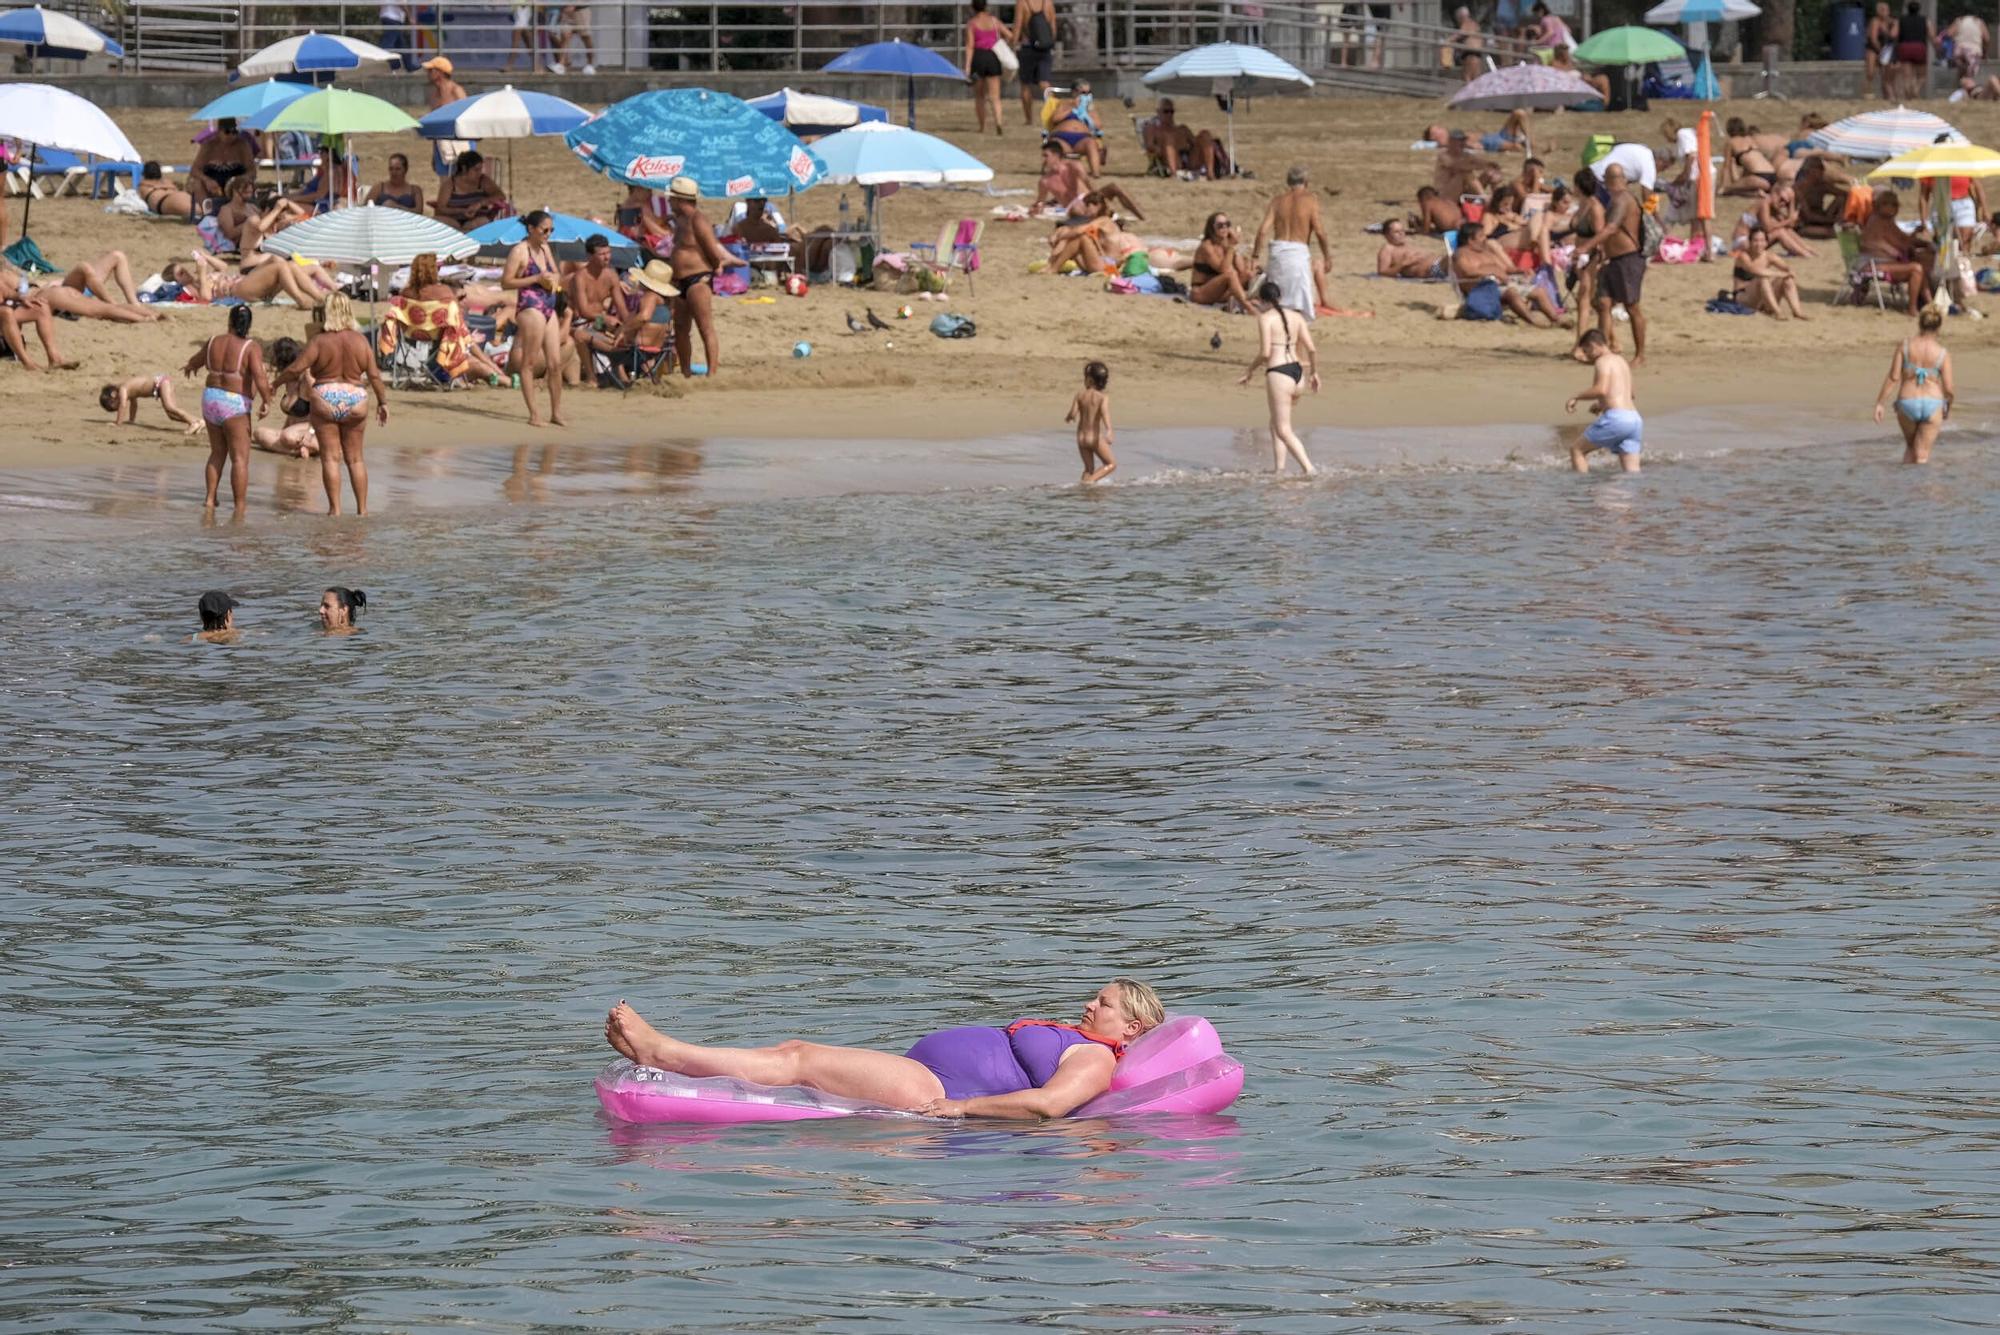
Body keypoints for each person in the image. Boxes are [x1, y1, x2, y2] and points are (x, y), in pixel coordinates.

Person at [602, 980, 1166, 1120]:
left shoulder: (1093, 1057)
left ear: (1132, 1029)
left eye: (1105, 1004)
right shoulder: (1080, 1038)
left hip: (934, 1091)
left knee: (796, 1055)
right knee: (796, 1058)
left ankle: (662, 1054)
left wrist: (959, 1110)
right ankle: (666, 1056)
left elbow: (1049, 1106)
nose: (1091, 1006)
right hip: (925, 1074)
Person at [283, 293, 388, 516]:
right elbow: (375, 376)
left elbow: (295, 369)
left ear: (327, 313)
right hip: (355, 397)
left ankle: (335, 511)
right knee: (356, 459)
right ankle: (362, 511)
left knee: (331, 458)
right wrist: (383, 402)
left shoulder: (320, 341)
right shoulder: (360, 341)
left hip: (326, 396)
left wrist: (275, 383)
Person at [184, 304, 274, 512]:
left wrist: (189, 367)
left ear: (229, 321)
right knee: (240, 459)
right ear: (249, 324)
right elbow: (259, 377)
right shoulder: (251, 347)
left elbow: (196, 361)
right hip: (234, 404)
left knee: (217, 453)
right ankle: (240, 508)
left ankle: (209, 499)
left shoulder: (214, 341)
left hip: (211, 398)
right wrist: (267, 401)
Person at [664, 177, 744, 379]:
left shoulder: (698, 220)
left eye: (671, 199)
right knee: (681, 329)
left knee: (705, 328)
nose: (668, 202)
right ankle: (686, 372)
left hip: (698, 279)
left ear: (680, 199)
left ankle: (712, 374)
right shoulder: (680, 220)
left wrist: (717, 266)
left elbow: (712, 249)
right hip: (680, 281)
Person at [1238, 279, 1320, 476]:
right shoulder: (1297, 317)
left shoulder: (1266, 319)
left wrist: (1249, 370)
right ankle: (1279, 469)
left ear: (1262, 300)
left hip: (1279, 374)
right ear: (1280, 297)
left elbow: (1265, 353)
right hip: (1297, 373)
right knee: (1276, 422)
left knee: (1283, 429)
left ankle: (1309, 469)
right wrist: (1315, 373)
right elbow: (1311, 349)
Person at [1575, 162, 1647, 366]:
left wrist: (1585, 247)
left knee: (1632, 306)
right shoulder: (1613, 200)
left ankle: (1640, 354)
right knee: (1603, 303)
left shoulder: (1623, 200)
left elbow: (1611, 228)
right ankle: (1602, 351)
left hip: (1628, 258)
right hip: (1612, 259)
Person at [502, 209, 567, 426]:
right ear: (531, 229)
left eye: (551, 230)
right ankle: (534, 414)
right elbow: (506, 282)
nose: (548, 234)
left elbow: (557, 273)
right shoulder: (520, 251)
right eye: (544, 230)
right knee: (529, 362)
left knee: (555, 363)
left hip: (548, 304)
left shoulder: (545, 248)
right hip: (530, 305)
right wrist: (536, 278)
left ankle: (556, 412)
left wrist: (552, 280)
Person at [1253, 165, 1341, 320]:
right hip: (1297, 252)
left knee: (1276, 300)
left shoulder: (1277, 201)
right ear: (1306, 181)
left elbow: (1262, 231)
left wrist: (1255, 255)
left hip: (1277, 252)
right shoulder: (1311, 200)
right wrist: (1327, 256)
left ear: (1288, 182)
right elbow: (1319, 232)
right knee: (1300, 306)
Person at [1872, 306, 1954, 464]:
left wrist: (1880, 403)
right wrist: (1947, 407)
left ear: (1920, 322)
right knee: (1922, 455)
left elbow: (1893, 377)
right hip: (1933, 402)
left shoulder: (1904, 346)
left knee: (1911, 448)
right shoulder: (1942, 353)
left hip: (1907, 401)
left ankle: (1905, 487)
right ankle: (1922, 487)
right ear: (1939, 326)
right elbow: (1949, 389)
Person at [1564, 329, 1642, 473]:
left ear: (1594, 345)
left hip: (1617, 419)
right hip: (1634, 420)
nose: (1588, 356)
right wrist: (1601, 404)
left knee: (1577, 450)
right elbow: (1630, 394)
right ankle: (1634, 495)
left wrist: (1576, 397)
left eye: (1587, 351)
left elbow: (1601, 389)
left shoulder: (1603, 361)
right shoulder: (1622, 361)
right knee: (1632, 473)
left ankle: (1581, 491)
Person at [564, 233, 632, 387]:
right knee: (583, 334)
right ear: (590, 256)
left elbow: (622, 308)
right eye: (602, 254)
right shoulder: (580, 277)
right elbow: (583, 311)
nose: (607, 257)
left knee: (619, 328)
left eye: (608, 253)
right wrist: (605, 319)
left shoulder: (611, 275)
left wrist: (625, 326)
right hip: (579, 322)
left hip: (599, 321)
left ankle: (621, 373)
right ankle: (591, 376)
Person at [171, 249, 342, 309]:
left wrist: (206, 258)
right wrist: (201, 273)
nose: (185, 271)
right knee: (281, 267)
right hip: (237, 290)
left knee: (281, 262)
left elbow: (222, 267)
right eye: (180, 273)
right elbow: (207, 298)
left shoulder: (203, 273)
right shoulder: (191, 287)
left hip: (245, 283)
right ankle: (303, 299)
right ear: (176, 281)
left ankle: (331, 293)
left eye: (182, 269)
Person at [1859, 190, 1935, 315]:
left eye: (1895, 204)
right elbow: (1901, 245)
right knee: (1917, 268)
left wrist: (1919, 238)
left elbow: (1903, 239)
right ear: (1880, 205)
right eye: (1890, 204)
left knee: (1921, 265)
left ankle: (1930, 303)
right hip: (1872, 265)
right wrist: (1920, 244)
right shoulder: (1879, 222)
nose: (1894, 208)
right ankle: (1912, 308)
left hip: (1883, 262)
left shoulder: (1886, 221)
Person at [1732, 227, 1810, 319]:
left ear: (1766, 242)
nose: (1759, 244)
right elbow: (1754, 270)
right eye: (1755, 241)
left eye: (1762, 241)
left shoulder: (1769, 256)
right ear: (1750, 242)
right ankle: (1778, 312)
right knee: (1762, 278)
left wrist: (1788, 273)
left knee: (1787, 279)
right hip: (1744, 297)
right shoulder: (1744, 256)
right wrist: (1779, 274)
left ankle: (1797, 312)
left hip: (1762, 298)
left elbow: (1787, 269)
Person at [1188, 212, 1258, 311]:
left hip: (1218, 293)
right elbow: (1224, 270)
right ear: (1212, 228)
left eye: (1227, 224)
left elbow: (1241, 270)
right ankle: (1247, 306)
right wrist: (1231, 247)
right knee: (1230, 274)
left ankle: (1245, 301)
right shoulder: (1206, 247)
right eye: (1220, 226)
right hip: (1201, 293)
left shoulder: (1225, 244)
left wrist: (1235, 249)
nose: (1224, 228)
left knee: (1247, 274)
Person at [100, 372, 200, 435]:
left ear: (113, 395)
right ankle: (197, 421)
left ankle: (193, 422)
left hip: (160, 383)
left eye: (114, 406)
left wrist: (118, 423)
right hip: (161, 383)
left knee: (170, 407)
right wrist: (131, 420)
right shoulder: (128, 390)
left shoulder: (123, 389)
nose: (118, 408)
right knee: (171, 415)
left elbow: (123, 405)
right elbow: (134, 404)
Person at [1145, 99, 1222, 180]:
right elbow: (1149, 145)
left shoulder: (1182, 129)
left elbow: (1195, 143)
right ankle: (1174, 175)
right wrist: (1159, 150)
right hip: (1171, 158)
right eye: (1166, 111)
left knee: (1205, 134)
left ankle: (1210, 173)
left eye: (1172, 111)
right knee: (1169, 138)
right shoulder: (1152, 129)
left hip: (1190, 159)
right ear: (1158, 112)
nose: (1169, 114)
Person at [1065, 360, 1115, 483]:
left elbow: (1073, 413)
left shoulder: (1080, 395)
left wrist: (1069, 417)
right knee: (1111, 464)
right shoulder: (1102, 397)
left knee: (1088, 468)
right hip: (1094, 438)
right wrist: (1109, 430)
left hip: (1081, 438)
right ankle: (1088, 483)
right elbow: (1104, 414)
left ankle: (1084, 492)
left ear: (1090, 380)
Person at [963, 0, 1008, 136]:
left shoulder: (972, 24)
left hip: (979, 58)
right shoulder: (994, 21)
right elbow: (1009, 35)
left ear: (973, 7)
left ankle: (982, 126)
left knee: (980, 96)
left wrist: (967, 67)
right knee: (995, 96)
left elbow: (970, 46)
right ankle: (998, 123)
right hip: (993, 57)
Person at [1013, 0, 1059, 128]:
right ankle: (1053, 115)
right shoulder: (1047, 2)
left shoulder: (1022, 3)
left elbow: (1017, 26)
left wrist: (1012, 44)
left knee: (1025, 85)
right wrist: (1049, 43)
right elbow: (1053, 26)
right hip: (1045, 48)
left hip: (1028, 47)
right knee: (1045, 83)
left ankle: (1029, 119)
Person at [190, 118, 256, 207]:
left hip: (235, 182)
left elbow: (252, 171)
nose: (232, 135)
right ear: (219, 131)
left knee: (246, 183)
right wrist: (207, 180)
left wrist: (240, 179)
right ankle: (207, 212)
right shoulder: (209, 146)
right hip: (213, 180)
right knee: (197, 183)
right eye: (227, 131)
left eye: (235, 132)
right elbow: (195, 170)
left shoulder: (242, 145)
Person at [433, 150, 506, 227]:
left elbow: (500, 196)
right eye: (476, 170)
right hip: (453, 221)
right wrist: (461, 211)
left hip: (477, 220)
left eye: (480, 169)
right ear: (464, 168)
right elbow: (441, 208)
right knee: (438, 221)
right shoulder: (450, 184)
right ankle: (464, 232)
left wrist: (480, 203)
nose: (480, 172)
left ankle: (463, 233)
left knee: (481, 222)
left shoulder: (483, 180)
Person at [1754, 185, 1817, 257]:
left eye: (1786, 203)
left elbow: (1791, 225)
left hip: (1757, 241)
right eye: (1781, 199)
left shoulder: (1774, 207)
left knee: (1786, 229)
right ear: (1774, 193)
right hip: (1746, 244)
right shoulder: (1764, 203)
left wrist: (1791, 201)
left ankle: (1806, 249)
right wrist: (1789, 220)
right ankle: (1804, 254)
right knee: (1780, 231)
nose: (1782, 204)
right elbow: (1767, 228)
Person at [1890, 1, 1934, 101]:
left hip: (1905, 46)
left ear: (1907, 9)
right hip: (1920, 47)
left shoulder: (1900, 20)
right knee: (1922, 76)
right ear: (1919, 10)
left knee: (1906, 76)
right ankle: (1916, 89)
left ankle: (1908, 97)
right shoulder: (1925, 20)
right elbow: (1932, 36)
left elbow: (1893, 34)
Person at [1377, 218, 1446, 278]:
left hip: (1440, 263)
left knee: (1454, 257)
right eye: (1396, 232)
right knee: (1453, 259)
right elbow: (1382, 272)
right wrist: (1404, 263)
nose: (1401, 234)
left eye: (1402, 230)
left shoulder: (1407, 244)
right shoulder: (1388, 248)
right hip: (1433, 269)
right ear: (1387, 235)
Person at [548, 4, 597, 74]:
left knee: (585, 37)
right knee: (565, 35)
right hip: (566, 10)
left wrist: (574, 5)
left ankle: (590, 64)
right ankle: (561, 65)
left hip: (581, 10)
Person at [1449, 7, 1486, 83]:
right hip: (1478, 53)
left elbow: (1458, 35)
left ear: (1460, 17)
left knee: (1467, 77)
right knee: (1475, 78)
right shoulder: (1476, 25)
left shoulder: (1467, 23)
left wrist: (1446, 41)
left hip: (1470, 53)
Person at [1867, 0, 1895, 96]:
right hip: (1874, 48)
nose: (1884, 11)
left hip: (1886, 49)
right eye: (1882, 9)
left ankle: (1886, 96)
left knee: (1885, 75)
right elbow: (1873, 39)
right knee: (1870, 73)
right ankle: (1867, 93)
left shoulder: (1892, 22)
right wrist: (1880, 52)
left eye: (1886, 9)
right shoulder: (1875, 21)